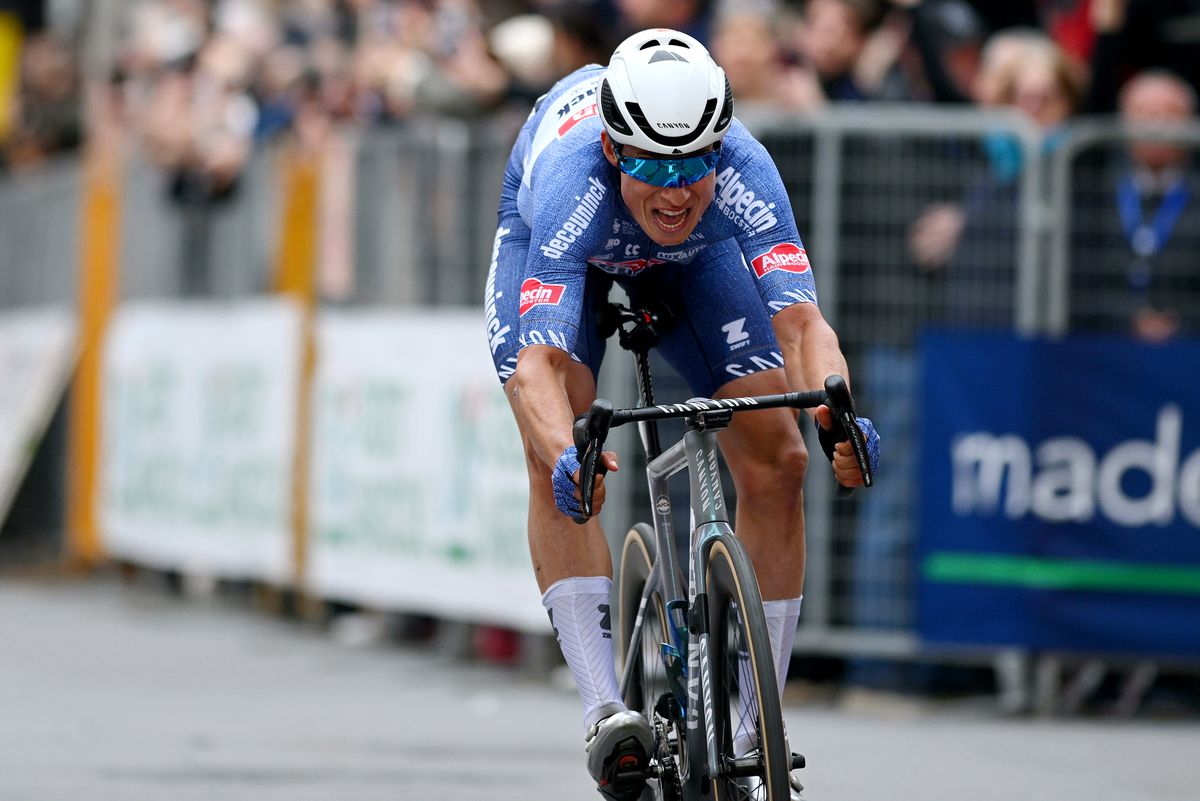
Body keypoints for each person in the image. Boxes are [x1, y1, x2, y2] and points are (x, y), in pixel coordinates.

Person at [482, 28, 879, 800]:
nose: (675, 189)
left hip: (697, 261)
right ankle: (605, 710)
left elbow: (801, 324)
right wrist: (570, 452)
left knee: (782, 459)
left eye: (694, 163)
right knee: (555, 441)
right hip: (572, 254)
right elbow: (537, 363)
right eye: (653, 166)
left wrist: (838, 413)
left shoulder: (744, 167)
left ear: (719, 146)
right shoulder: (574, 180)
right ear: (612, 149)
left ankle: (749, 724)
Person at [1070, 69, 1200, 339]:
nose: (1156, 125)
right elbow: (1078, 280)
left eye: (1170, 112)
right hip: (1106, 346)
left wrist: (1181, 324)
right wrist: (1126, 319)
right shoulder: (1094, 191)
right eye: (1143, 112)